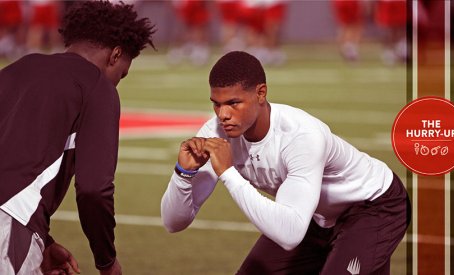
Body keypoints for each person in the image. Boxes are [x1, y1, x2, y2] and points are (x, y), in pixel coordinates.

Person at [161, 51, 411, 274]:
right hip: (314, 215)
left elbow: (290, 234)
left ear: (261, 93)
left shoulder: (301, 135)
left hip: (374, 207)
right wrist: (183, 174)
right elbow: (174, 223)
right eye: (216, 104)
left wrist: (228, 173)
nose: (223, 114)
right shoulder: (215, 131)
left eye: (233, 103)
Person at [0, 1, 154, 274]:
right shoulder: (97, 87)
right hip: (11, 225)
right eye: (122, 75)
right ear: (115, 55)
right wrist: (106, 261)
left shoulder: (18, 68)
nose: (118, 82)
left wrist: (45, 243)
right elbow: (94, 189)